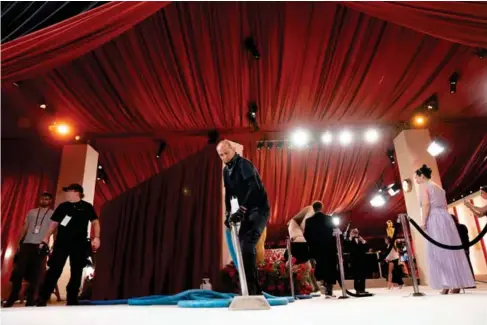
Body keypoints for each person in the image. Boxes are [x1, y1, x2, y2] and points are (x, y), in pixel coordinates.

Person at [217, 140, 270, 295]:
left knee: (248, 244)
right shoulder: (226, 171)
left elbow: (254, 188)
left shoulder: (244, 165)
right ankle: (251, 290)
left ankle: (254, 291)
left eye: (226, 153)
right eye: (221, 155)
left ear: (233, 150)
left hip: (258, 209)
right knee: (242, 247)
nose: (224, 157)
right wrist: (228, 213)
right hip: (245, 212)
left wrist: (242, 208)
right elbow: (229, 193)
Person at [36, 184, 100, 306]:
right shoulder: (63, 206)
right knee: (54, 269)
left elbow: (95, 222)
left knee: (76, 271)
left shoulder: (87, 207)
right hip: (62, 243)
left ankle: (72, 298)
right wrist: (46, 237)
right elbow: (54, 223)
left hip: (79, 243)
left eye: (68, 191)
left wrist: (97, 237)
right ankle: (43, 297)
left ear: (77, 192)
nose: (66, 193)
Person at [415, 165, 475, 294]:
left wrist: (423, 222)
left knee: (439, 251)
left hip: (434, 217)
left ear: (422, 176)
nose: (415, 179)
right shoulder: (438, 188)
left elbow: (426, 205)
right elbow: (444, 204)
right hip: (445, 217)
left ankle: (449, 283)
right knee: (450, 250)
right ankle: (453, 283)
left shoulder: (425, 186)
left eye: (416, 176)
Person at [3, 193, 54, 307]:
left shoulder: (52, 214)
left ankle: (31, 298)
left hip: (40, 245)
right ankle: (13, 296)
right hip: (26, 244)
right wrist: (18, 242)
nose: (44, 200)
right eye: (42, 198)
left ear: (50, 201)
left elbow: (55, 230)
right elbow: (25, 227)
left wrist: (52, 245)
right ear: (39, 199)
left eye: (47, 199)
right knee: (18, 271)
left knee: (35, 273)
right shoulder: (31, 212)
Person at [303, 201, 337, 297]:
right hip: (329, 247)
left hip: (316, 249)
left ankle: (322, 284)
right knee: (330, 267)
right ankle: (329, 288)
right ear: (322, 207)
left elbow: (306, 236)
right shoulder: (329, 218)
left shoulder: (309, 221)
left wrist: (311, 246)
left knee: (319, 266)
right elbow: (334, 232)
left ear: (313, 209)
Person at [344, 228, 369, 295]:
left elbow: (367, 248)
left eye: (356, 232)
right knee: (356, 275)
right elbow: (346, 246)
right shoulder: (349, 239)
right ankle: (357, 289)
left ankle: (362, 289)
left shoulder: (360, 239)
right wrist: (351, 237)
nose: (355, 233)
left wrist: (363, 241)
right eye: (354, 232)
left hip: (362, 260)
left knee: (363, 275)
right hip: (354, 260)